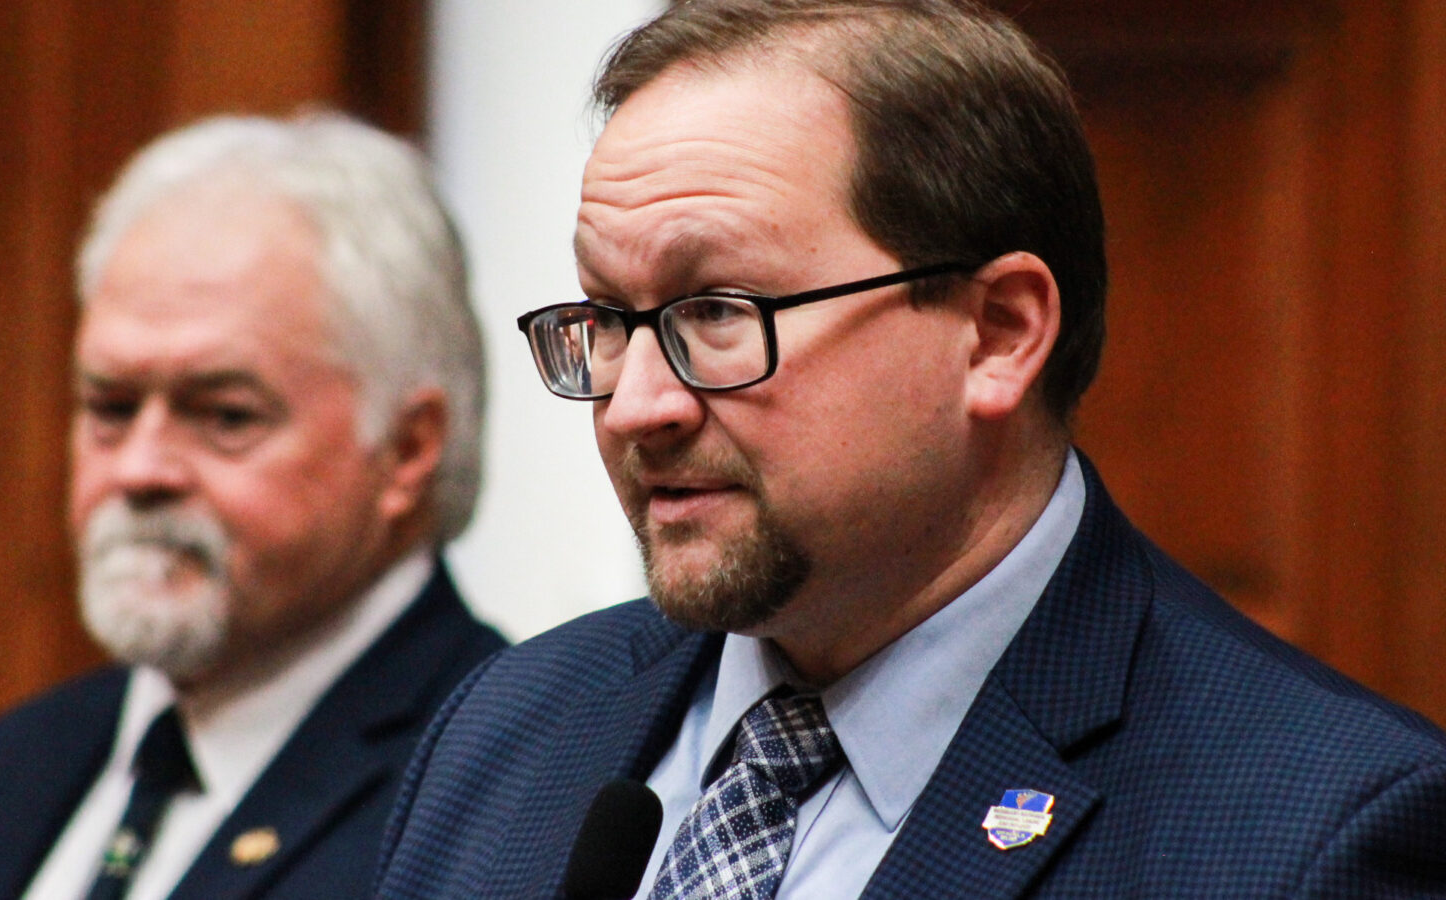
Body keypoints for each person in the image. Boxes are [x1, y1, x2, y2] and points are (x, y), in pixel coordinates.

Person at [372, 2, 1446, 898]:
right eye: (609, 318)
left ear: (998, 333)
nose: (636, 406)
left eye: (718, 311)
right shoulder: (507, 731)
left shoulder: (1314, 832)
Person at [0, 111, 506, 900]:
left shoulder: (508, 793)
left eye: (225, 415)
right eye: (109, 407)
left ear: (409, 449)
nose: (140, 469)